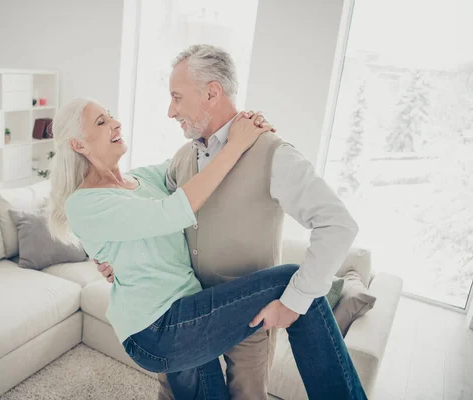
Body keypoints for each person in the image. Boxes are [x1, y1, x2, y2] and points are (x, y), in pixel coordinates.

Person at [48, 97, 367, 400]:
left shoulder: (143, 178)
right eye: (102, 122)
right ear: (79, 145)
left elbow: (197, 162)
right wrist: (238, 143)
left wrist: (248, 134)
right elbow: (173, 212)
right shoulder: (83, 203)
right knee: (293, 283)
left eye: (111, 115)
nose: (116, 123)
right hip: (157, 329)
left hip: (189, 312)